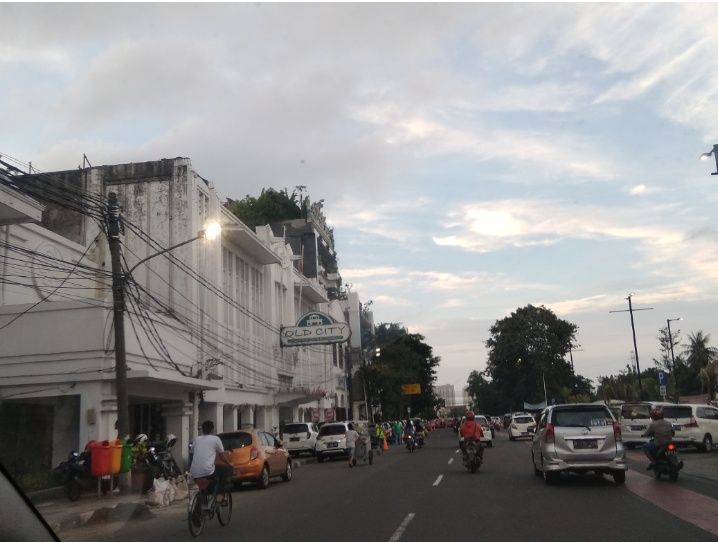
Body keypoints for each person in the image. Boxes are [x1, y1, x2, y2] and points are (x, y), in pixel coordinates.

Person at [190, 420, 233, 502]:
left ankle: (204, 504)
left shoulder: (196, 439)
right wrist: (229, 463)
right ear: (212, 430)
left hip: (194, 472)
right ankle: (220, 494)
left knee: (204, 483)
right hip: (208, 471)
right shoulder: (216, 439)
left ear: (202, 429)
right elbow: (222, 456)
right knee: (225, 469)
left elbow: (191, 455)